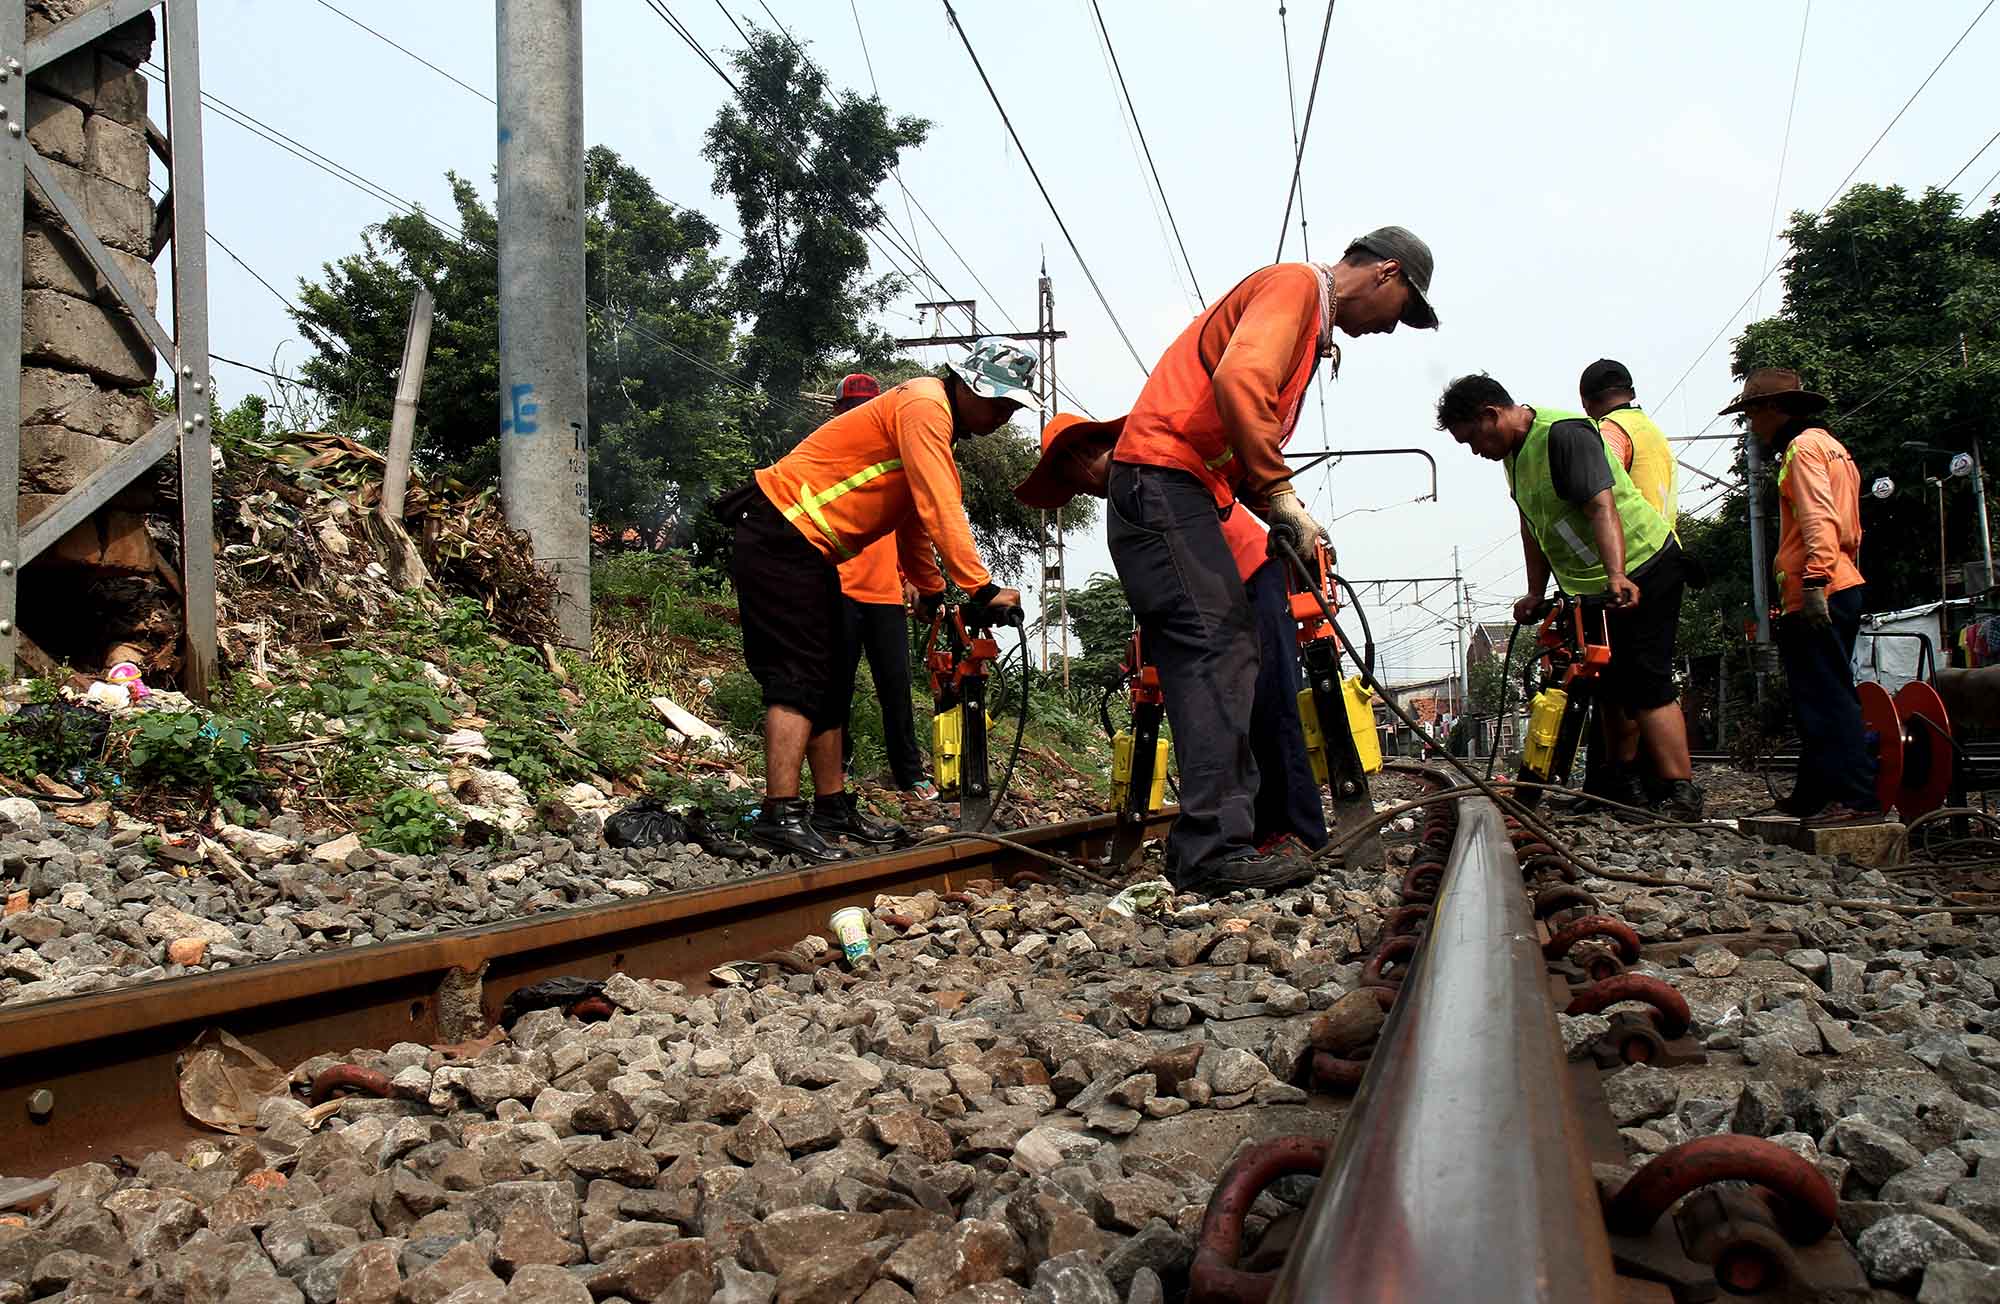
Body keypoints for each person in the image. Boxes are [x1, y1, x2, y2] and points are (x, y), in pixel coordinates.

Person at [1108, 227, 1439, 893]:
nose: (1391, 328)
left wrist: (1285, 514)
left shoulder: (1309, 321)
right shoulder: (1294, 286)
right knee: (1216, 655)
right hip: (1167, 481)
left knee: (1227, 654)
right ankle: (1212, 852)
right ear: (1387, 274)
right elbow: (1239, 382)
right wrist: (1284, 497)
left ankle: (1215, 841)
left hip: (1181, 488)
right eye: (1401, 310)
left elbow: (1238, 427)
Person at [720, 340, 1033, 862]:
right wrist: (979, 588)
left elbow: (911, 516)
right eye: (998, 401)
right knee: (798, 677)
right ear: (966, 384)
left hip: (807, 545)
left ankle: (831, 807)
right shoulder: (926, 404)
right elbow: (939, 503)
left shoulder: (931, 423)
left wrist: (932, 589)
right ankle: (780, 813)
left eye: (1012, 407)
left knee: (828, 676)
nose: (1004, 414)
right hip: (781, 530)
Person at [1014, 414, 1328, 853]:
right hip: (1216, 596)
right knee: (1236, 712)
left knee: (1268, 706)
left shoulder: (1146, 477)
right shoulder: (1134, 488)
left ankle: (1297, 831)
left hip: (1249, 577)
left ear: (1081, 454)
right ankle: (1256, 829)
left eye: (1069, 477)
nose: (1078, 489)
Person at [1434, 373, 1703, 818]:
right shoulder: (1514, 456)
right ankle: (1620, 786)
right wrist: (1536, 591)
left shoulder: (1564, 435)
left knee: (1646, 681)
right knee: (1610, 688)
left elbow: (1602, 505)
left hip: (1642, 568)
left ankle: (1682, 792)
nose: (1475, 451)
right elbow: (1533, 524)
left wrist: (1617, 573)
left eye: (1472, 440)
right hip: (1595, 585)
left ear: (1490, 414)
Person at [1722, 367, 1879, 824]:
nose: (1751, 426)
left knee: (1828, 696)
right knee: (1816, 694)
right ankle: (1813, 793)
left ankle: (1855, 798)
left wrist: (1813, 580)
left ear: (1772, 409)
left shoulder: (1802, 448)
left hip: (1820, 588)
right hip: (1842, 579)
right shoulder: (1833, 446)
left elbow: (1818, 518)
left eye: (1751, 414)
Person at [1578, 358, 1684, 807]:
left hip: (1634, 565)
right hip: (1666, 557)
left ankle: (1631, 784)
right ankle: (1644, 782)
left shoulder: (1609, 434)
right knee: (1646, 676)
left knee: (1622, 683)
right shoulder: (1652, 433)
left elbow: (1601, 496)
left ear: (1586, 402)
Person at [828, 373, 934, 798]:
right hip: (837, 588)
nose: (859, 413)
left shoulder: (895, 460)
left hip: (885, 593)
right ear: (839, 412)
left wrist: (909, 579)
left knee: (896, 687)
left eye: (867, 406)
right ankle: (840, 767)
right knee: (837, 687)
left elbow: (908, 526)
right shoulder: (828, 457)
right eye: (853, 407)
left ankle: (909, 773)